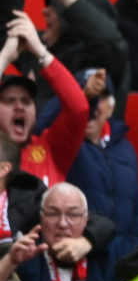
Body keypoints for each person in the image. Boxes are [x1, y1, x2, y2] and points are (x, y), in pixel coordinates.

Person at [36, 68, 138, 281]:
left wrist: (134, 253)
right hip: (80, 260)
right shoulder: (62, 146)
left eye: (101, 96)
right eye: (88, 99)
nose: (94, 105)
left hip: (123, 262)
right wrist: (81, 95)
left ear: (111, 106)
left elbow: (136, 212)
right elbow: (41, 126)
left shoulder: (126, 148)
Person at [1, 0, 129, 118]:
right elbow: (5, 30)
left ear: (72, 20)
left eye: (55, 7)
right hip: (34, 144)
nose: (44, 11)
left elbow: (108, 40)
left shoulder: (101, 63)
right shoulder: (37, 48)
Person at [0, 10, 89, 187]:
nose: (19, 106)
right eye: (9, 101)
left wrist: (40, 51)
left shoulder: (52, 147)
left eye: (26, 101)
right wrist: (5, 56)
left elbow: (78, 108)